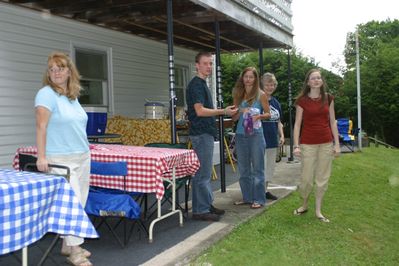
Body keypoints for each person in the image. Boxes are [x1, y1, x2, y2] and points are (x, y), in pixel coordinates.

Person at [35, 52, 93, 266]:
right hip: (60, 158)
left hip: (82, 156)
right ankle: (75, 251)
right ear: (48, 73)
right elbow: (41, 126)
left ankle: (66, 244)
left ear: (69, 71)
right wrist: (41, 156)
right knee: (72, 203)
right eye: (52, 68)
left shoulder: (72, 96)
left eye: (60, 67)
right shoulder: (45, 94)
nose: (56, 72)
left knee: (81, 200)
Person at [186, 52, 238, 222]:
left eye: (210, 63)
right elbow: (200, 111)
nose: (209, 66)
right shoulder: (196, 85)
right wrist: (223, 111)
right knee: (202, 174)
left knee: (205, 173)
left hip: (204, 133)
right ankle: (200, 210)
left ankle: (206, 204)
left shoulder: (202, 84)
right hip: (201, 134)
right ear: (197, 65)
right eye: (205, 63)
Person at [293, 68, 340, 223]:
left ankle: (318, 210)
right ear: (308, 82)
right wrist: (296, 145)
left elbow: (332, 121)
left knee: (322, 178)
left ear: (321, 81)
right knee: (306, 178)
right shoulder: (302, 101)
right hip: (307, 144)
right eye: (313, 78)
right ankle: (304, 203)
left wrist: (337, 144)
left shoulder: (328, 98)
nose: (316, 80)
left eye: (319, 78)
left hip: (326, 143)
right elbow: (297, 124)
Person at [232, 67, 271, 209]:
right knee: (243, 169)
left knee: (258, 169)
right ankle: (247, 198)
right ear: (242, 78)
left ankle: (259, 199)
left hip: (256, 135)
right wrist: (238, 111)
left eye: (251, 77)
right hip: (241, 134)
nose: (248, 79)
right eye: (246, 76)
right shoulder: (238, 93)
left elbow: (268, 114)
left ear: (255, 79)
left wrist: (259, 116)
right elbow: (234, 117)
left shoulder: (261, 94)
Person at [261, 73, 284, 201]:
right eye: (267, 84)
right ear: (262, 85)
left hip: (272, 139)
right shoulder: (258, 101)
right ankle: (257, 191)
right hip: (259, 140)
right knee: (260, 167)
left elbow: (279, 121)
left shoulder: (276, 103)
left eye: (272, 84)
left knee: (269, 167)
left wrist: (282, 135)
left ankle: (265, 191)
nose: (270, 87)